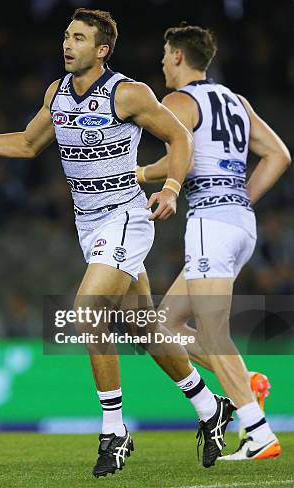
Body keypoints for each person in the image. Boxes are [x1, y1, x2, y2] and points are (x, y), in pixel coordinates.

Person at [0, 9, 234, 477]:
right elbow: (28, 144)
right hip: (89, 225)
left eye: (79, 38)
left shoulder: (128, 93)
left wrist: (170, 189)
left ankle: (114, 429)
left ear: (102, 49)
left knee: (88, 308)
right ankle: (211, 407)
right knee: (143, 329)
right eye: (66, 36)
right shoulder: (58, 93)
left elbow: (180, 137)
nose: (67, 44)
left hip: (128, 216)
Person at [138, 24, 290, 461]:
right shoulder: (236, 101)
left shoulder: (178, 101)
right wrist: (240, 198)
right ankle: (248, 381)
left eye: (167, 54)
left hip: (210, 221)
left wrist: (143, 175)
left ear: (181, 57)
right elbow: (279, 154)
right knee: (161, 327)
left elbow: (179, 154)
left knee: (211, 331)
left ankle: (258, 431)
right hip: (241, 223)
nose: (163, 62)